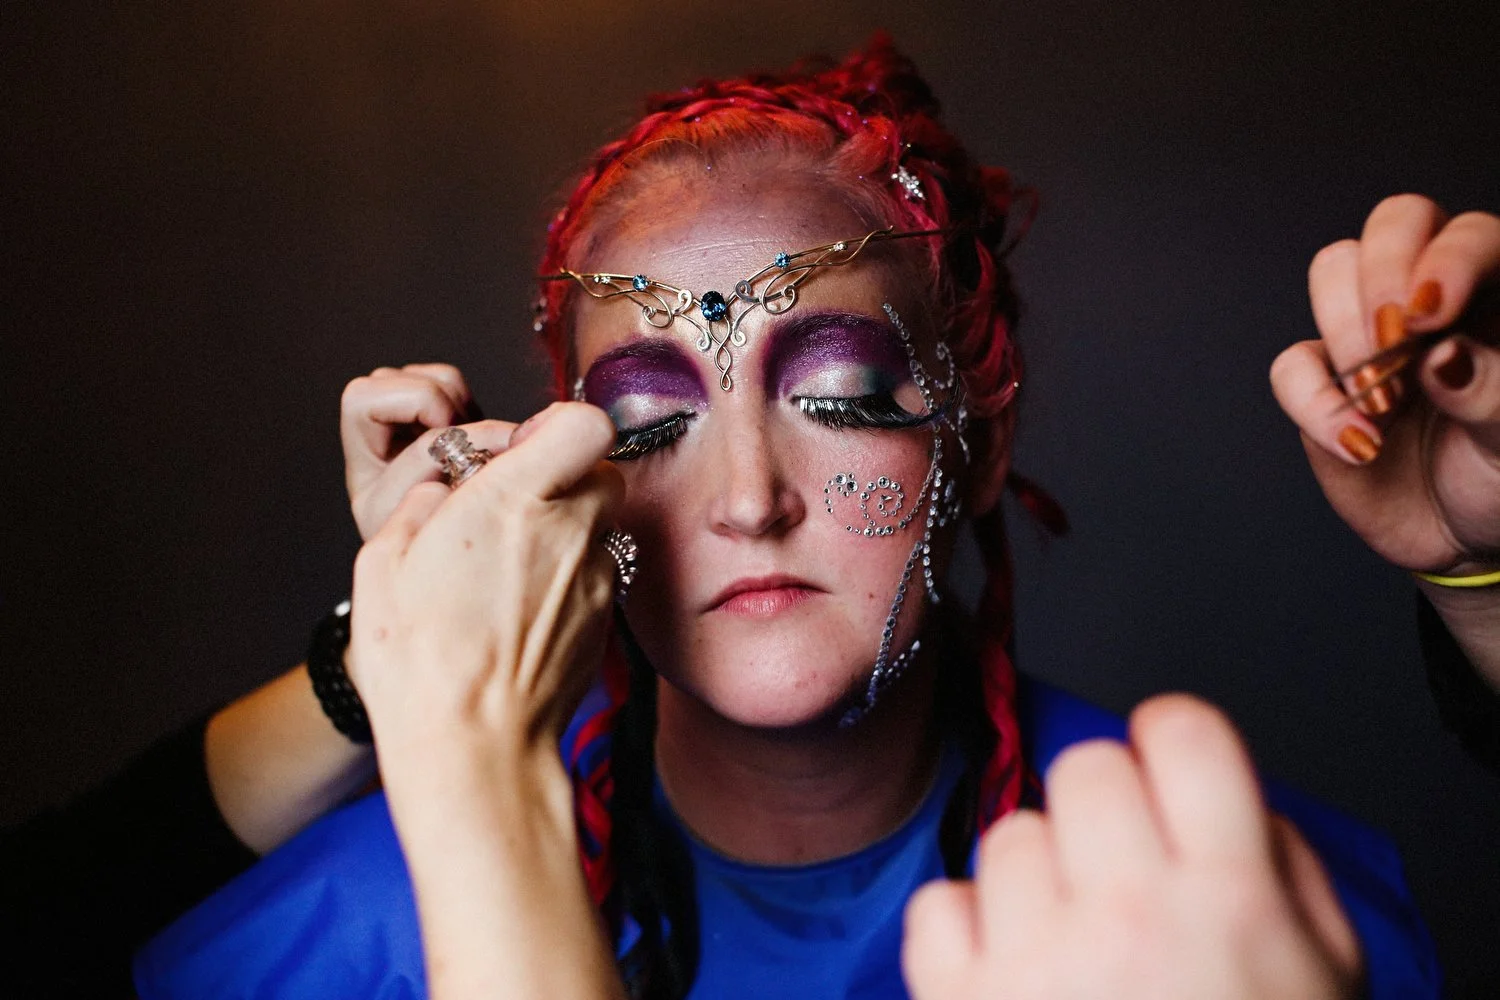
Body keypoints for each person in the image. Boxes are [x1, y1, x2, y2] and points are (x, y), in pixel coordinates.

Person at [6, 35, 1494, 1000]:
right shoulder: (345, 934)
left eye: (838, 394)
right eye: (650, 423)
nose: (747, 496)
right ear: (565, 483)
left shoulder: (1233, 904)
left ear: (977, 444)